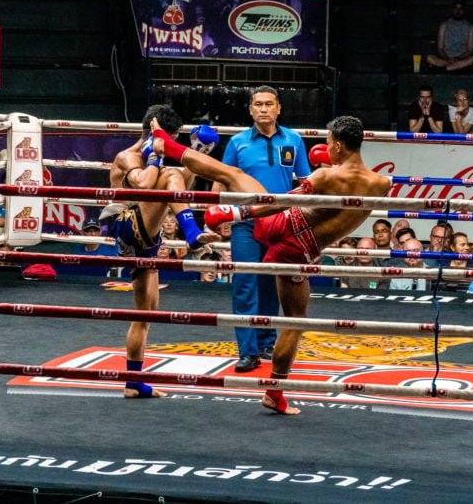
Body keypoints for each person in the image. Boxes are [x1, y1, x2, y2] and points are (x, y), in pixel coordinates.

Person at [153, 115, 390, 415]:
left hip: (282, 227)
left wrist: (238, 213)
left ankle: (166, 143)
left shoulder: (325, 177)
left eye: (329, 143)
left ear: (340, 146)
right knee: (294, 322)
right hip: (301, 248)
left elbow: (281, 201)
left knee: (231, 173)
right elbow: (348, 219)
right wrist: (318, 243)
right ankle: (274, 393)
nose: (326, 148)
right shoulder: (382, 183)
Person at [104, 105, 220, 398]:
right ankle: (192, 233)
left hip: (147, 237)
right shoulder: (127, 156)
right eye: (170, 141)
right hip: (126, 225)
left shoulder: (158, 164)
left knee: (146, 315)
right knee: (169, 174)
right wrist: (156, 152)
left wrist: (198, 155)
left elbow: (181, 187)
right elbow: (143, 182)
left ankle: (133, 382)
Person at [211, 85, 311, 373]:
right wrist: (217, 214)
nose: (264, 108)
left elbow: (305, 183)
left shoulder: (293, 139)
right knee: (245, 284)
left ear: (278, 108)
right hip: (245, 222)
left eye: (269, 103)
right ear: (250, 109)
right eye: (258, 104)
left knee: (271, 285)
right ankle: (247, 351)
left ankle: (267, 342)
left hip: (281, 223)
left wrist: (301, 221)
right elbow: (223, 178)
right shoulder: (237, 142)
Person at [427, 0, 473, 72]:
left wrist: (459, 58)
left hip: (461, 59)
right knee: (430, 58)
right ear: (452, 10)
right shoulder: (444, 25)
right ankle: (452, 67)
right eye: (456, 8)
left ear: (464, 11)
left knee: (472, 59)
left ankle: (444, 69)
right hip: (446, 59)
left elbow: (470, 50)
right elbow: (440, 48)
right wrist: (447, 58)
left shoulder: (470, 27)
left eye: (460, 9)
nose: (458, 11)